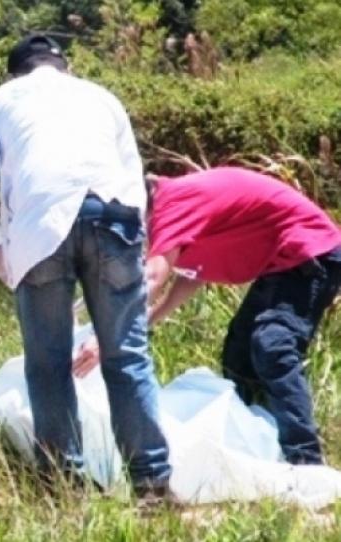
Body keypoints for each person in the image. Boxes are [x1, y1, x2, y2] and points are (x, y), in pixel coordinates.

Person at [0, 34, 172, 495]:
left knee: (48, 364)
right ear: (64, 67)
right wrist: (135, 242)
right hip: (114, 218)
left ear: (16, 74)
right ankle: (152, 485)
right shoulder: (100, 96)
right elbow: (133, 175)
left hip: (38, 231)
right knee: (127, 357)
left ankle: (63, 487)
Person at [137, 167, 340, 465]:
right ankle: (255, 448)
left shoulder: (172, 204)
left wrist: (109, 337)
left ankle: (305, 460)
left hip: (310, 252)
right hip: (282, 262)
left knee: (273, 346)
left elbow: (154, 277)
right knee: (239, 355)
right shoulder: (174, 206)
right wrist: (148, 321)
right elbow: (193, 274)